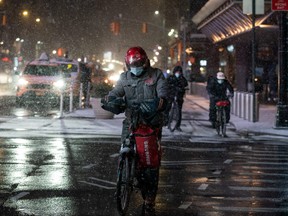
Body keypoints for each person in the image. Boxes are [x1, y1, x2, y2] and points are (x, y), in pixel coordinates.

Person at [101, 46, 168, 215]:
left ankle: (149, 200)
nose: (135, 67)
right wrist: (110, 99)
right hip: (131, 123)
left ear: (145, 62)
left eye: (138, 63)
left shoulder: (156, 75)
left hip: (150, 125)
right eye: (132, 64)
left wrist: (156, 104)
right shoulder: (124, 77)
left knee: (150, 164)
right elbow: (116, 92)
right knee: (126, 150)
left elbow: (164, 95)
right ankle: (125, 175)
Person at [166, 65, 188, 131]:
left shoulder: (182, 79)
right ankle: (166, 122)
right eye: (177, 72)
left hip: (179, 96)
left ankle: (177, 125)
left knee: (179, 110)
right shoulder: (170, 78)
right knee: (167, 108)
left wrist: (181, 89)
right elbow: (166, 84)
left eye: (179, 72)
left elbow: (185, 84)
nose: (178, 73)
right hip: (170, 95)